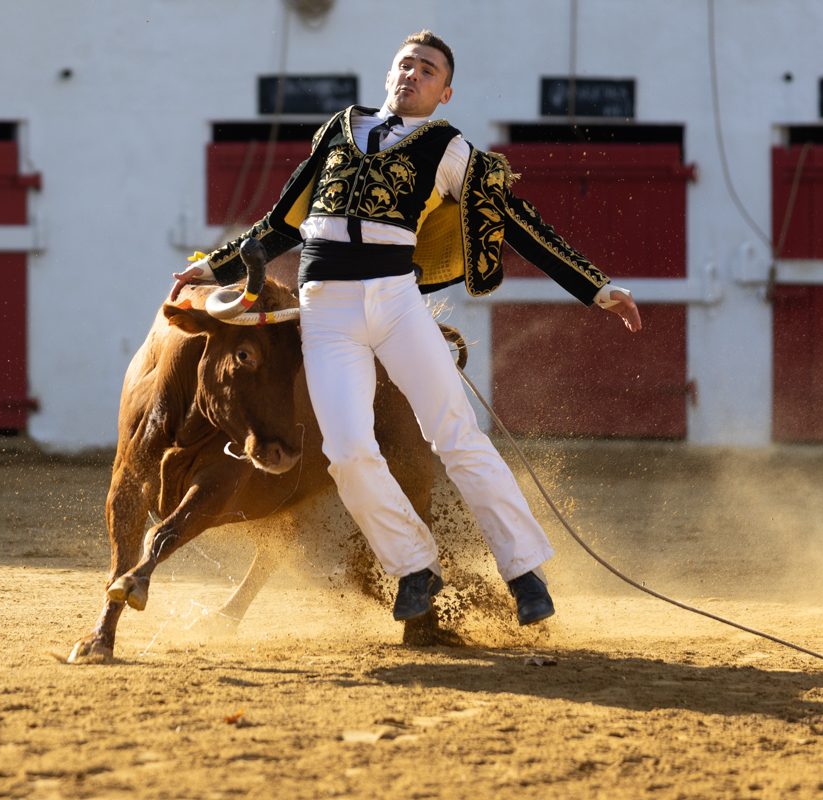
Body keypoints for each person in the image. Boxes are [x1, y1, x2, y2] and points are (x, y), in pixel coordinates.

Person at [172, 30, 642, 626]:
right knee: (346, 453)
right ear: (390, 73)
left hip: (396, 303)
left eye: (428, 70)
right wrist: (209, 268)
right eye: (406, 64)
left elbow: (515, 218)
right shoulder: (339, 129)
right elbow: (281, 223)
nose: (413, 73)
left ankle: (525, 573)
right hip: (327, 312)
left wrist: (594, 287)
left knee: (457, 435)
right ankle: (414, 567)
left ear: (444, 93)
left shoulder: (448, 147)